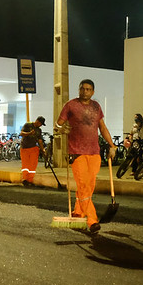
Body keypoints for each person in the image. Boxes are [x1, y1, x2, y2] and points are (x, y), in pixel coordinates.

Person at [55, 79, 117, 233]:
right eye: (82, 89)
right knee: (83, 185)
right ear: (79, 90)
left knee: (88, 187)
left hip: (94, 152)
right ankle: (92, 220)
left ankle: (78, 212)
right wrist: (61, 130)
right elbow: (58, 125)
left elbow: (102, 127)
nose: (85, 92)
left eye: (88, 89)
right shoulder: (70, 105)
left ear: (93, 92)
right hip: (77, 152)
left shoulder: (96, 107)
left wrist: (112, 145)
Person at [19, 116, 46, 186]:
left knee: (33, 164)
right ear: (37, 121)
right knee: (25, 164)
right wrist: (29, 133)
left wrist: (42, 149)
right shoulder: (28, 125)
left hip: (34, 148)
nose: (40, 125)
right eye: (40, 124)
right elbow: (21, 134)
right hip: (24, 147)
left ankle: (30, 179)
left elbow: (40, 140)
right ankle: (25, 179)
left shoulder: (39, 130)